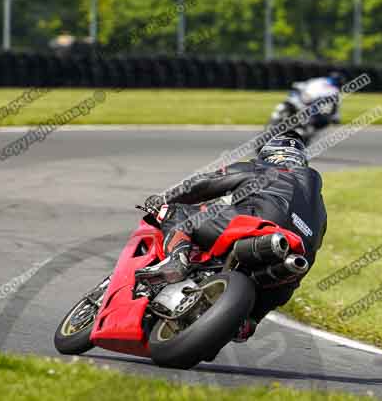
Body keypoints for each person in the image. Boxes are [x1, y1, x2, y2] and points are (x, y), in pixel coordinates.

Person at [135, 133, 327, 341]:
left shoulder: (264, 169)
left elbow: (207, 182)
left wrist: (164, 198)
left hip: (258, 226)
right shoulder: (319, 207)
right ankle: (249, 321)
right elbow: (315, 245)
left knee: (177, 212)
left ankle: (176, 261)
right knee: (285, 281)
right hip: (293, 262)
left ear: (269, 155)